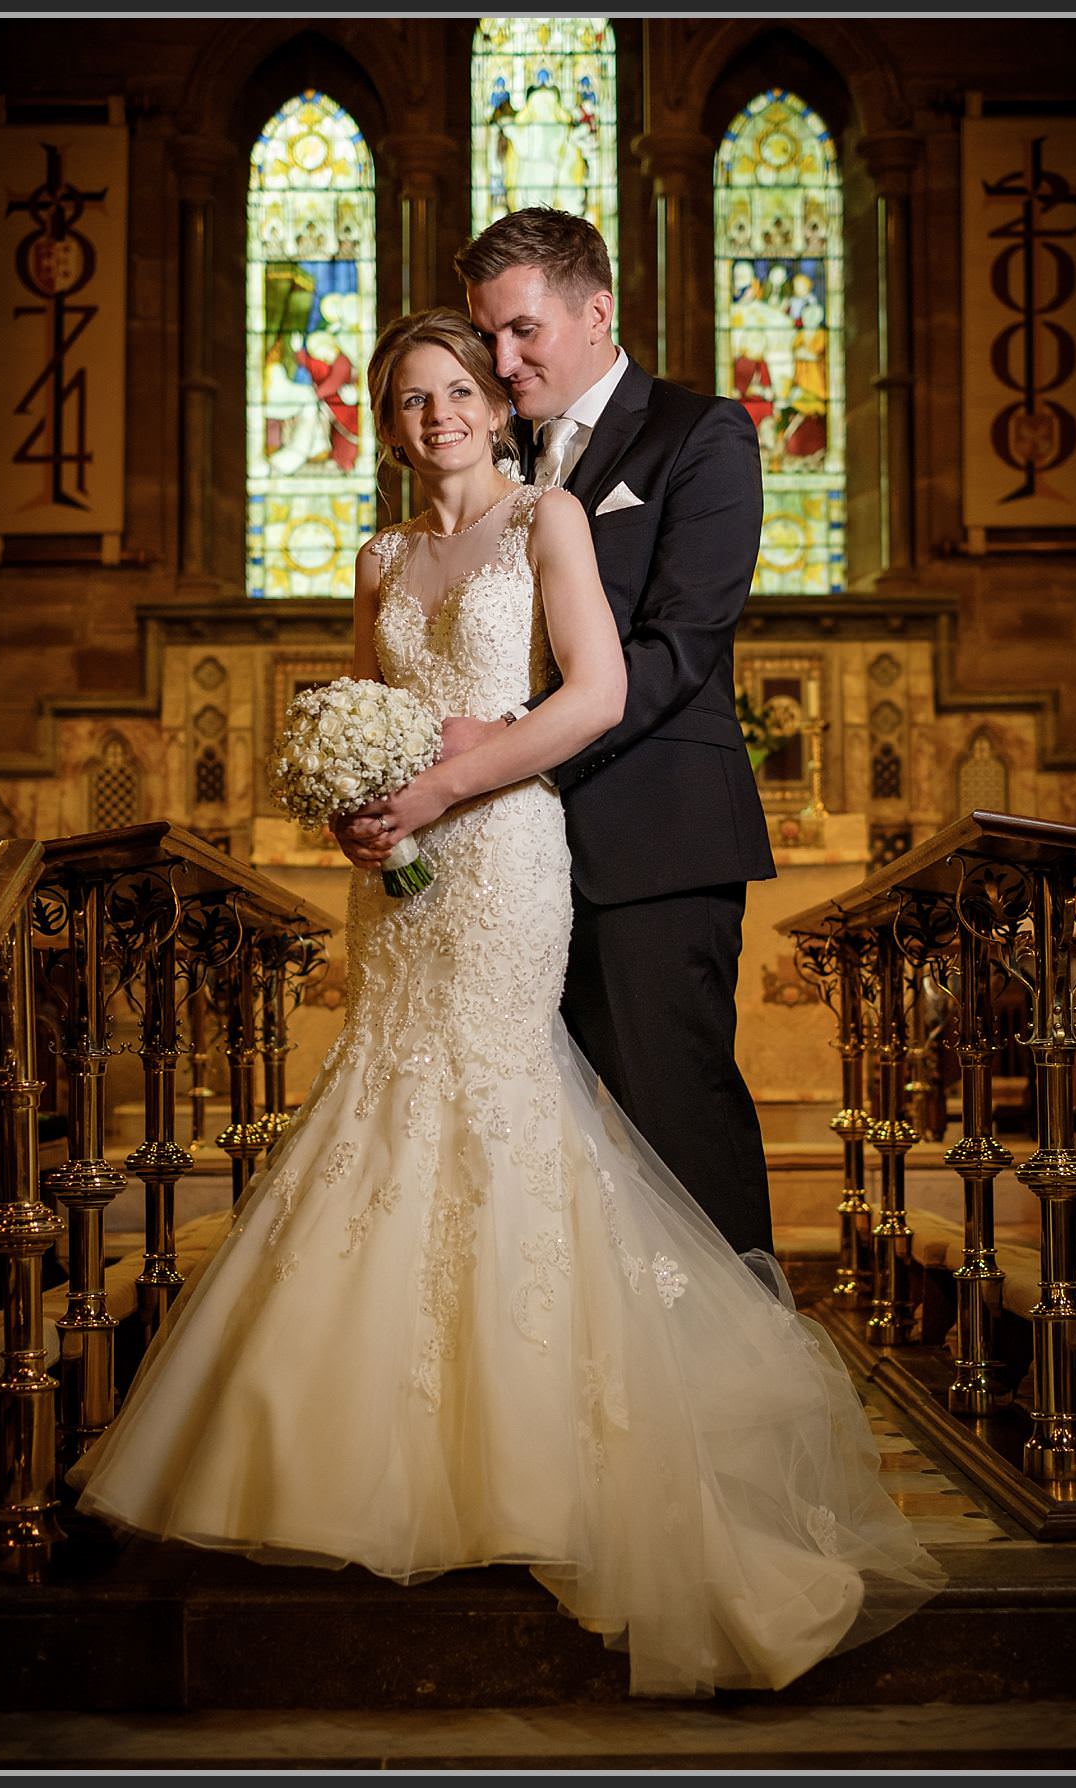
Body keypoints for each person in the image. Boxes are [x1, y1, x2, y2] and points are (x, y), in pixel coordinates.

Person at [72, 308, 943, 1695]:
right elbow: (362, 698)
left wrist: (439, 787)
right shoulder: (381, 554)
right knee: (384, 1099)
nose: (437, 419)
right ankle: (372, 1464)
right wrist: (357, 807)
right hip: (404, 874)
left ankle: (535, 1455)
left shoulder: (550, 524)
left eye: (456, 392)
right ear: (388, 420)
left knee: (497, 1094)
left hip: (504, 855)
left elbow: (595, 695)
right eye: (410, 401)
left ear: (493, 401)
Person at [342, 207, 776, 1261]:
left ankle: (739, 1386)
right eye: (487, 336)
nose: (500, 358)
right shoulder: (488, 446)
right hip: (500, 866)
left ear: (596, 312)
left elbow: (681, 645)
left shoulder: (697, 433)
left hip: (648, 843)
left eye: (522, 331)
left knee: (673, 1127)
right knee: (536, 1152)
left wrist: (496, 746)